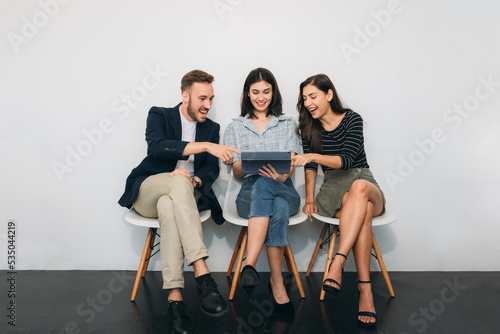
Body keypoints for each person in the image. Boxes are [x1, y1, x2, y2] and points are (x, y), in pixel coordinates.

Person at [118, 70, 240, 334]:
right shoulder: (160, 114)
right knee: (175, 183)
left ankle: (175, 300)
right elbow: (158, 146)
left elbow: (210, 171)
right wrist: (205, 147)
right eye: (202, 98)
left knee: (169, 204)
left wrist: (195, 181)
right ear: (185, 96)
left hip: (182, 197)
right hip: (149, 189)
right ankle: (202, 271)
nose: (208, 105)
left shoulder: (211, 128)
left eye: (211, 99)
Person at [292, 74, 386, 329]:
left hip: (363, 180)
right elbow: (310, 167)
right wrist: (310, 199)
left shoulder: (352, 119)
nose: (308, 103)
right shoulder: (308, 128)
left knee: (360, 189)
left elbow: (346, 160)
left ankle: (338, 260)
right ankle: (365, 292)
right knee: (363, 211)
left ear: (329, 94)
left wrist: (312, 155)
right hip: (333, 188)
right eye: (304, 99)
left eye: (313, 96)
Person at [223, 68, 301, 317]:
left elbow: (288, 171)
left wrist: (280, 176)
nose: (261, 97)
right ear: (247, 93)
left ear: (273, 92)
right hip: (249, 193)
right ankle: (277, 284)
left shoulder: (288, 124)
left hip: (285, 189)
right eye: (255, 92)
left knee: (269, 185)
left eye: (266, 91)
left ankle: (249, 265)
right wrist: (247, 166)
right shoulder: (235, 127)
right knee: (271, 200)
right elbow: (236, 172)